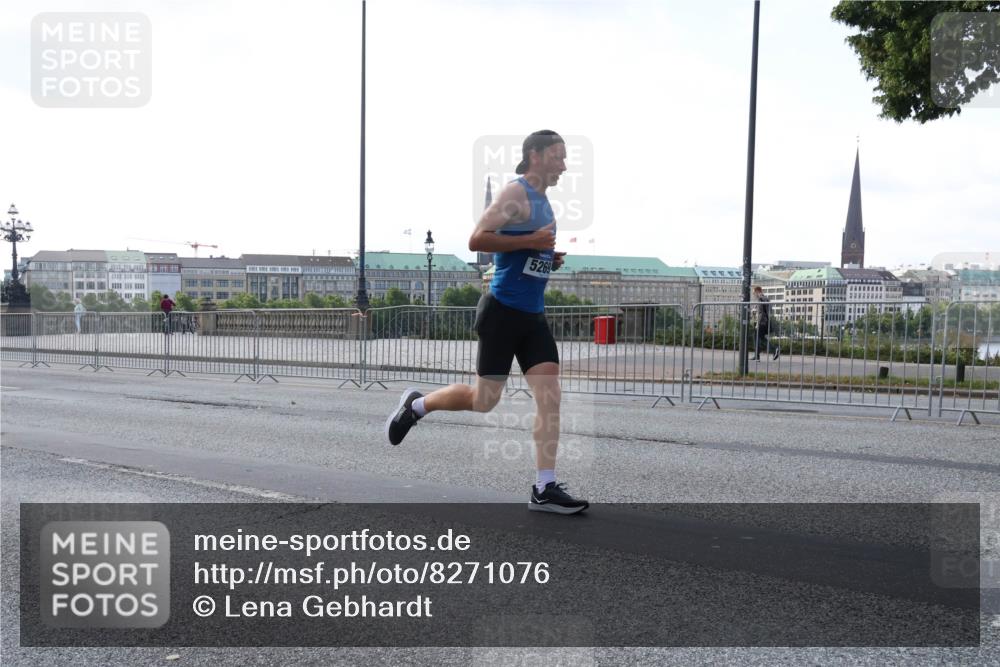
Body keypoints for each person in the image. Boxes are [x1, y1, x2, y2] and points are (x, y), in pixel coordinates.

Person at [385, 130, 588, 515]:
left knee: (550, 395)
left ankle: (544, 487)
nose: (564, 165)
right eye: (558, 156)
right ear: (535, 155)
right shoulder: (515, 194)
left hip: (533, 316)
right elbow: (478, 239)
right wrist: (530, 242)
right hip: (502, 312)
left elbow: (526, 252)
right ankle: (417, 405)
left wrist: (547, 258)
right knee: (484, 401)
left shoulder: (544, 202)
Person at [751, 286, 779, 361]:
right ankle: (757, 355)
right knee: (757, 337)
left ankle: (774, 349)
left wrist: (757, 323)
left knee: (760, 338)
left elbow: (760, 313)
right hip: (765, 321)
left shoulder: (760, 299)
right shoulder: (766, 298)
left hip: (761, 322)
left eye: (754, 293)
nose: (754, 294)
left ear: (757, 291)